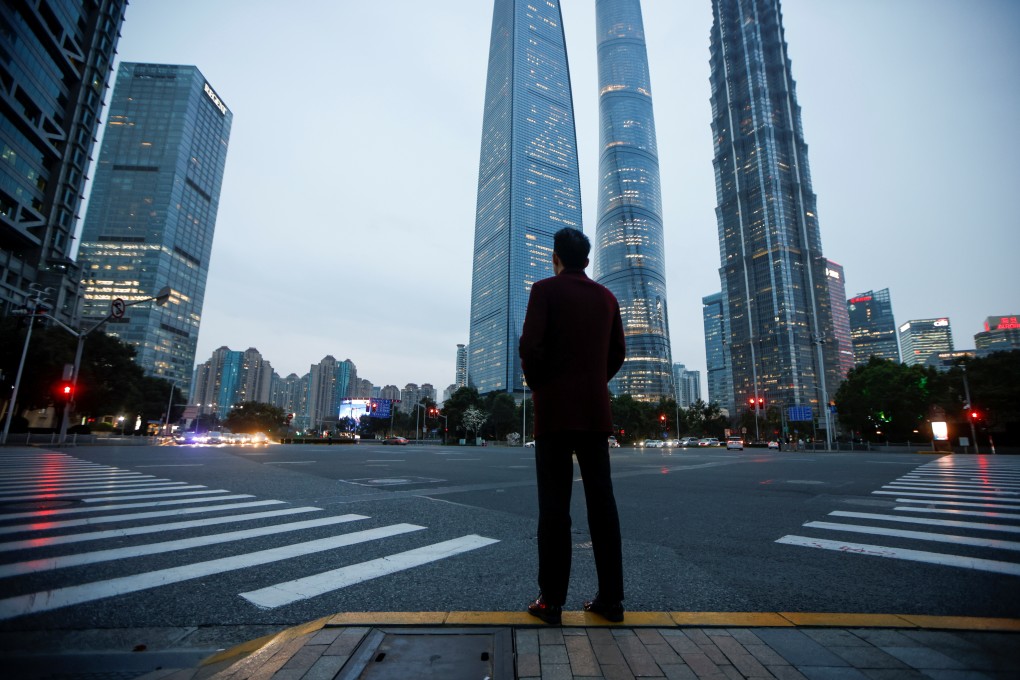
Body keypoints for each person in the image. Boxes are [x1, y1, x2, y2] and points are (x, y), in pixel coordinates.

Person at [519, 227, 626, 624]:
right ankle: (611, 600)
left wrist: (542, 384)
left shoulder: (544, 290)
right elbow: (618, 352)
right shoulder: (607, 298)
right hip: (595, 413)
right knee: (603, 506)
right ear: (587, 259)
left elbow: (530, 346)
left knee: (554, 508)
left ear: (555, 257)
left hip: (554, 414)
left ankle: (551, 602)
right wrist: (594, 382)